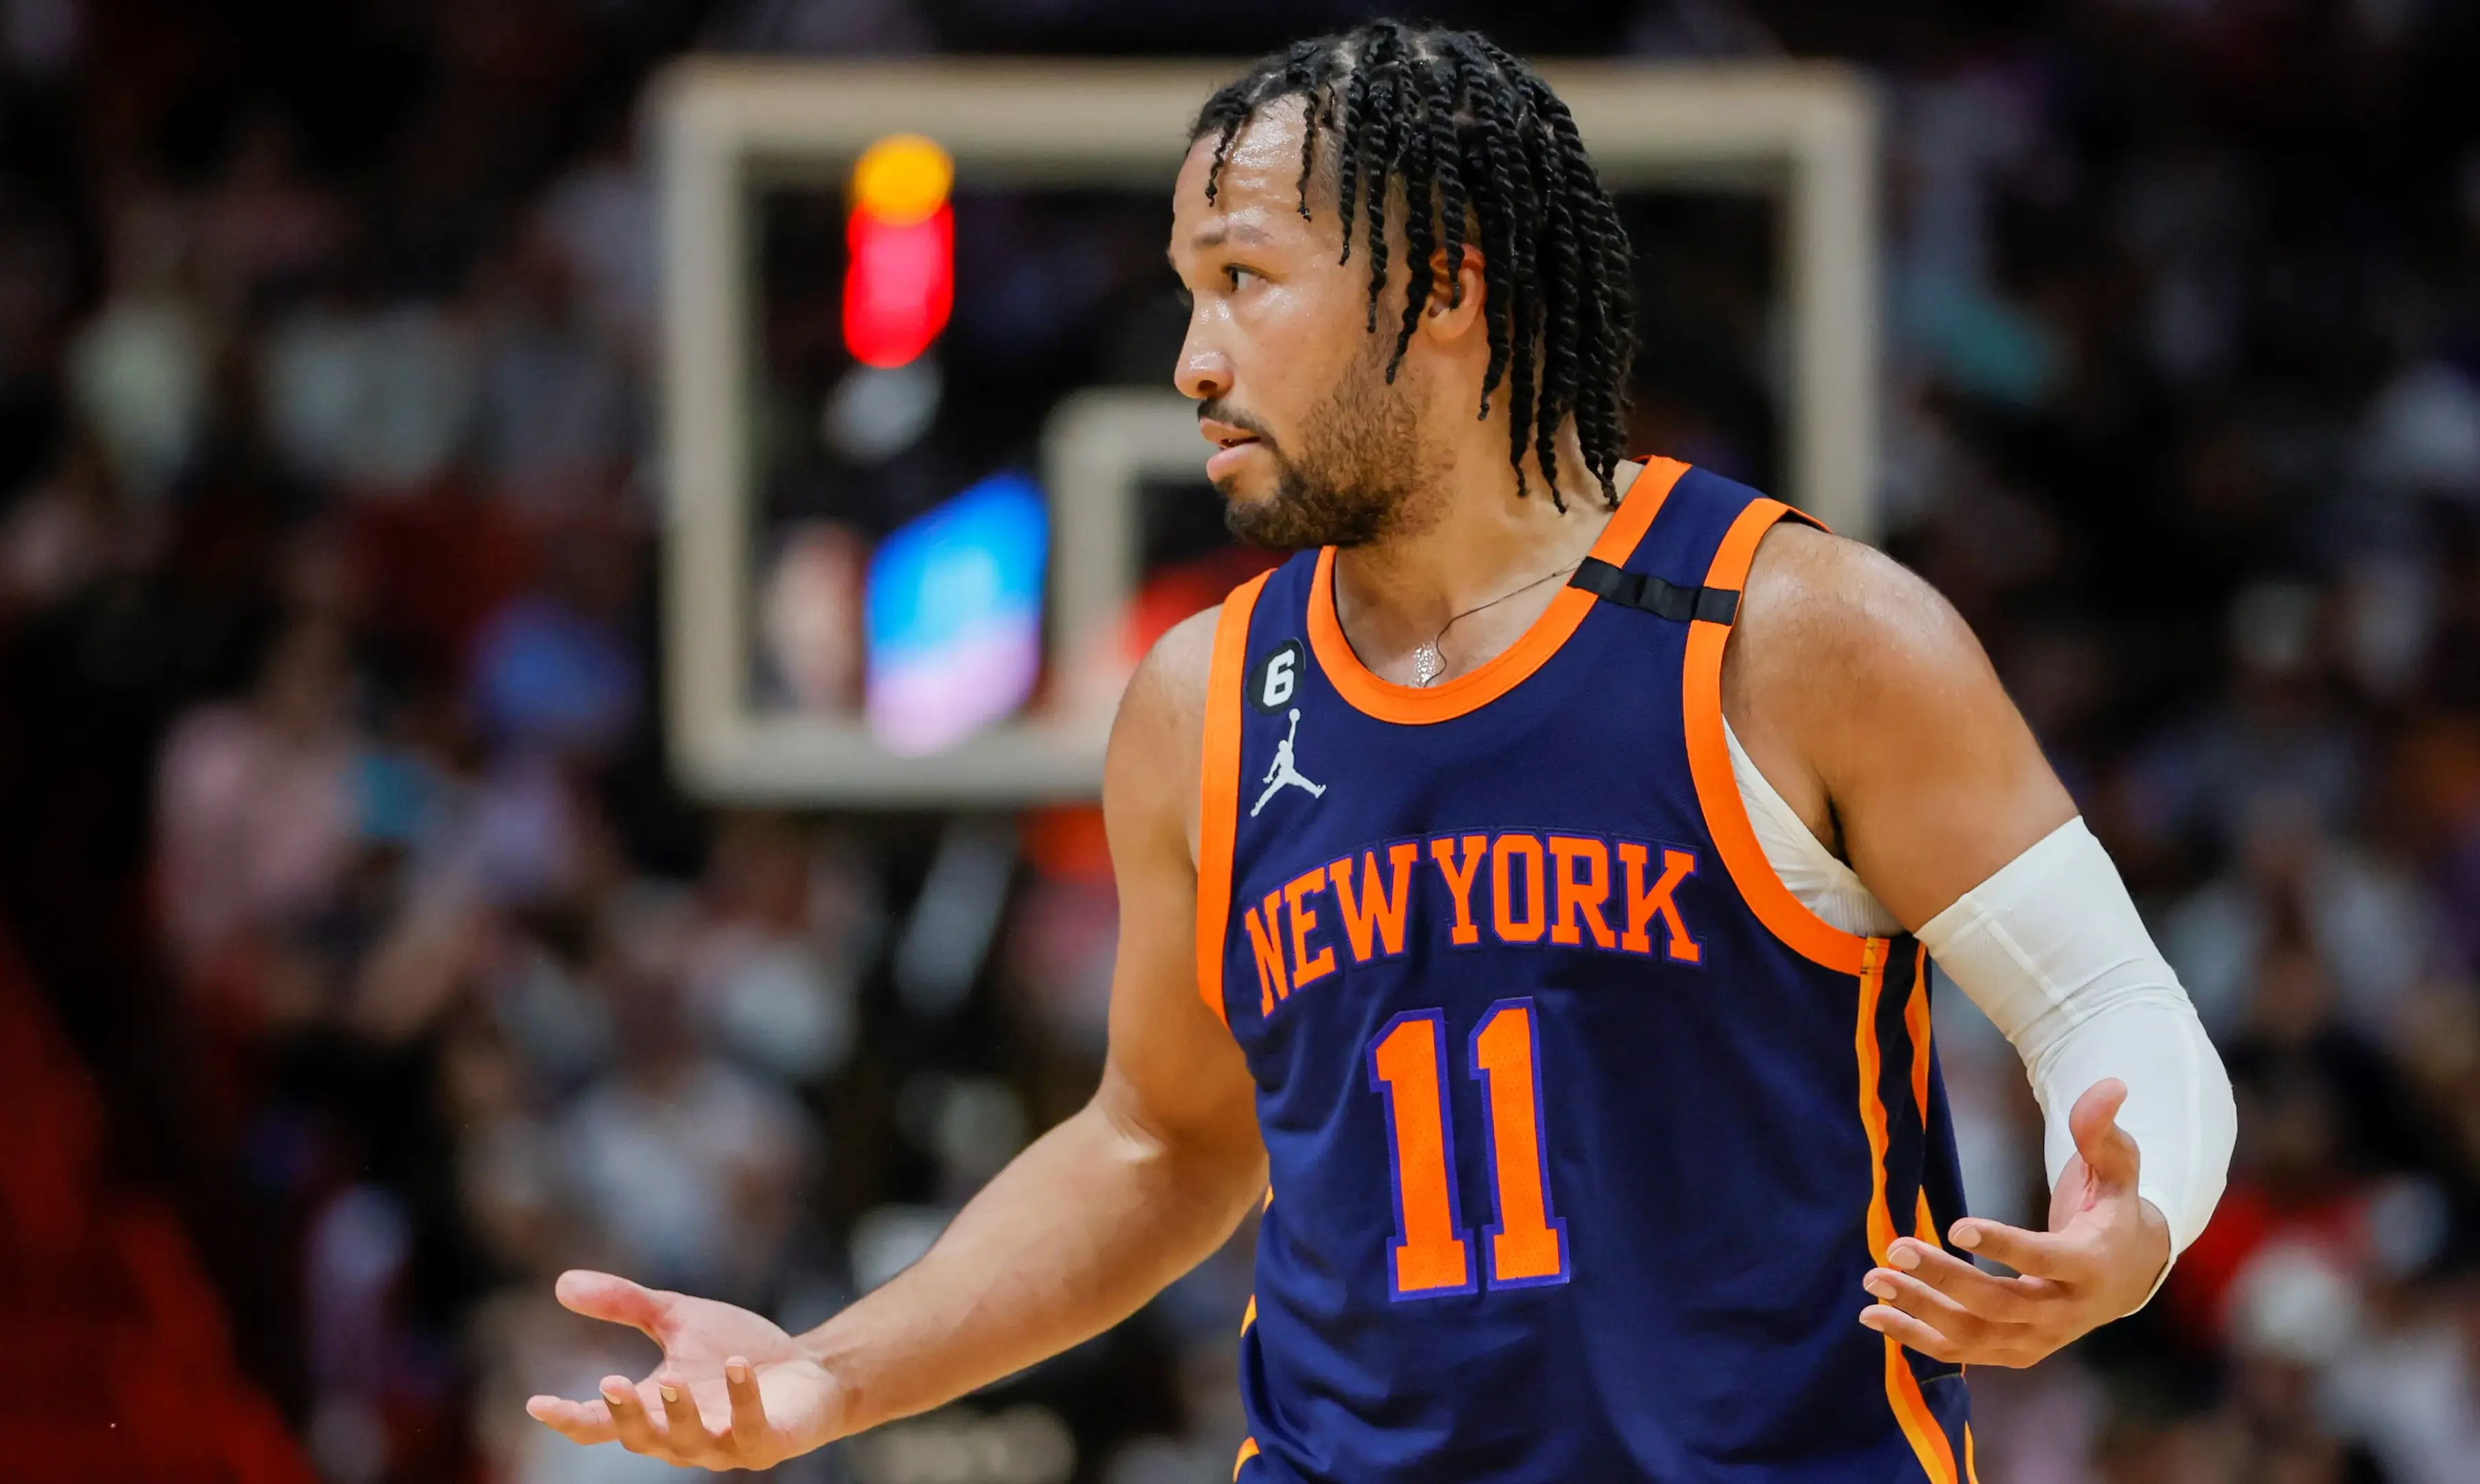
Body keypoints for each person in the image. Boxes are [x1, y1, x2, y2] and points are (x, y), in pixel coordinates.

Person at [525, 21, 2237, 1479]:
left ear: (1449, 290)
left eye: (1246, 284)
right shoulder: (1199, 697)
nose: (1194, 360)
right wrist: (831, 1371)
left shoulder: (1799, 634)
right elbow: (1161, 1143)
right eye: (1187, 293)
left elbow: (2108, 1005)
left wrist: (2130, 1225)